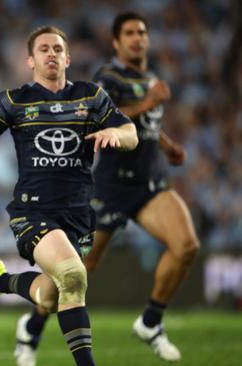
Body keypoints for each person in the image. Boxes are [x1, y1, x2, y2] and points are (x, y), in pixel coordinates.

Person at [14, 12, 200, 364]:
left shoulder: (150, 77)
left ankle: (150, 321)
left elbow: (143, 125)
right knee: (76, 272)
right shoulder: (108, 77)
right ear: (117, 41)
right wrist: (150, 103)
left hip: (149, 185)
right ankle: (33, 326)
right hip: (108, 188)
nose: (137, 38)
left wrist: (167, 144)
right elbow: (113, 116)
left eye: (142, 32)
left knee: (186, 245)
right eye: (129, 33)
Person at [0, 26, 138, 366]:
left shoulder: (91, 97)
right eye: (43, 49)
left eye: (57, 48)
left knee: (53, 296)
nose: (51, 53)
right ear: (30, 60)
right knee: (73, 277)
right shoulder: (13, 101)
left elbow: (131, 134)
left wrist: (116, 131)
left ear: (68, 58)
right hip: (33, 212)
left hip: (79, 216)